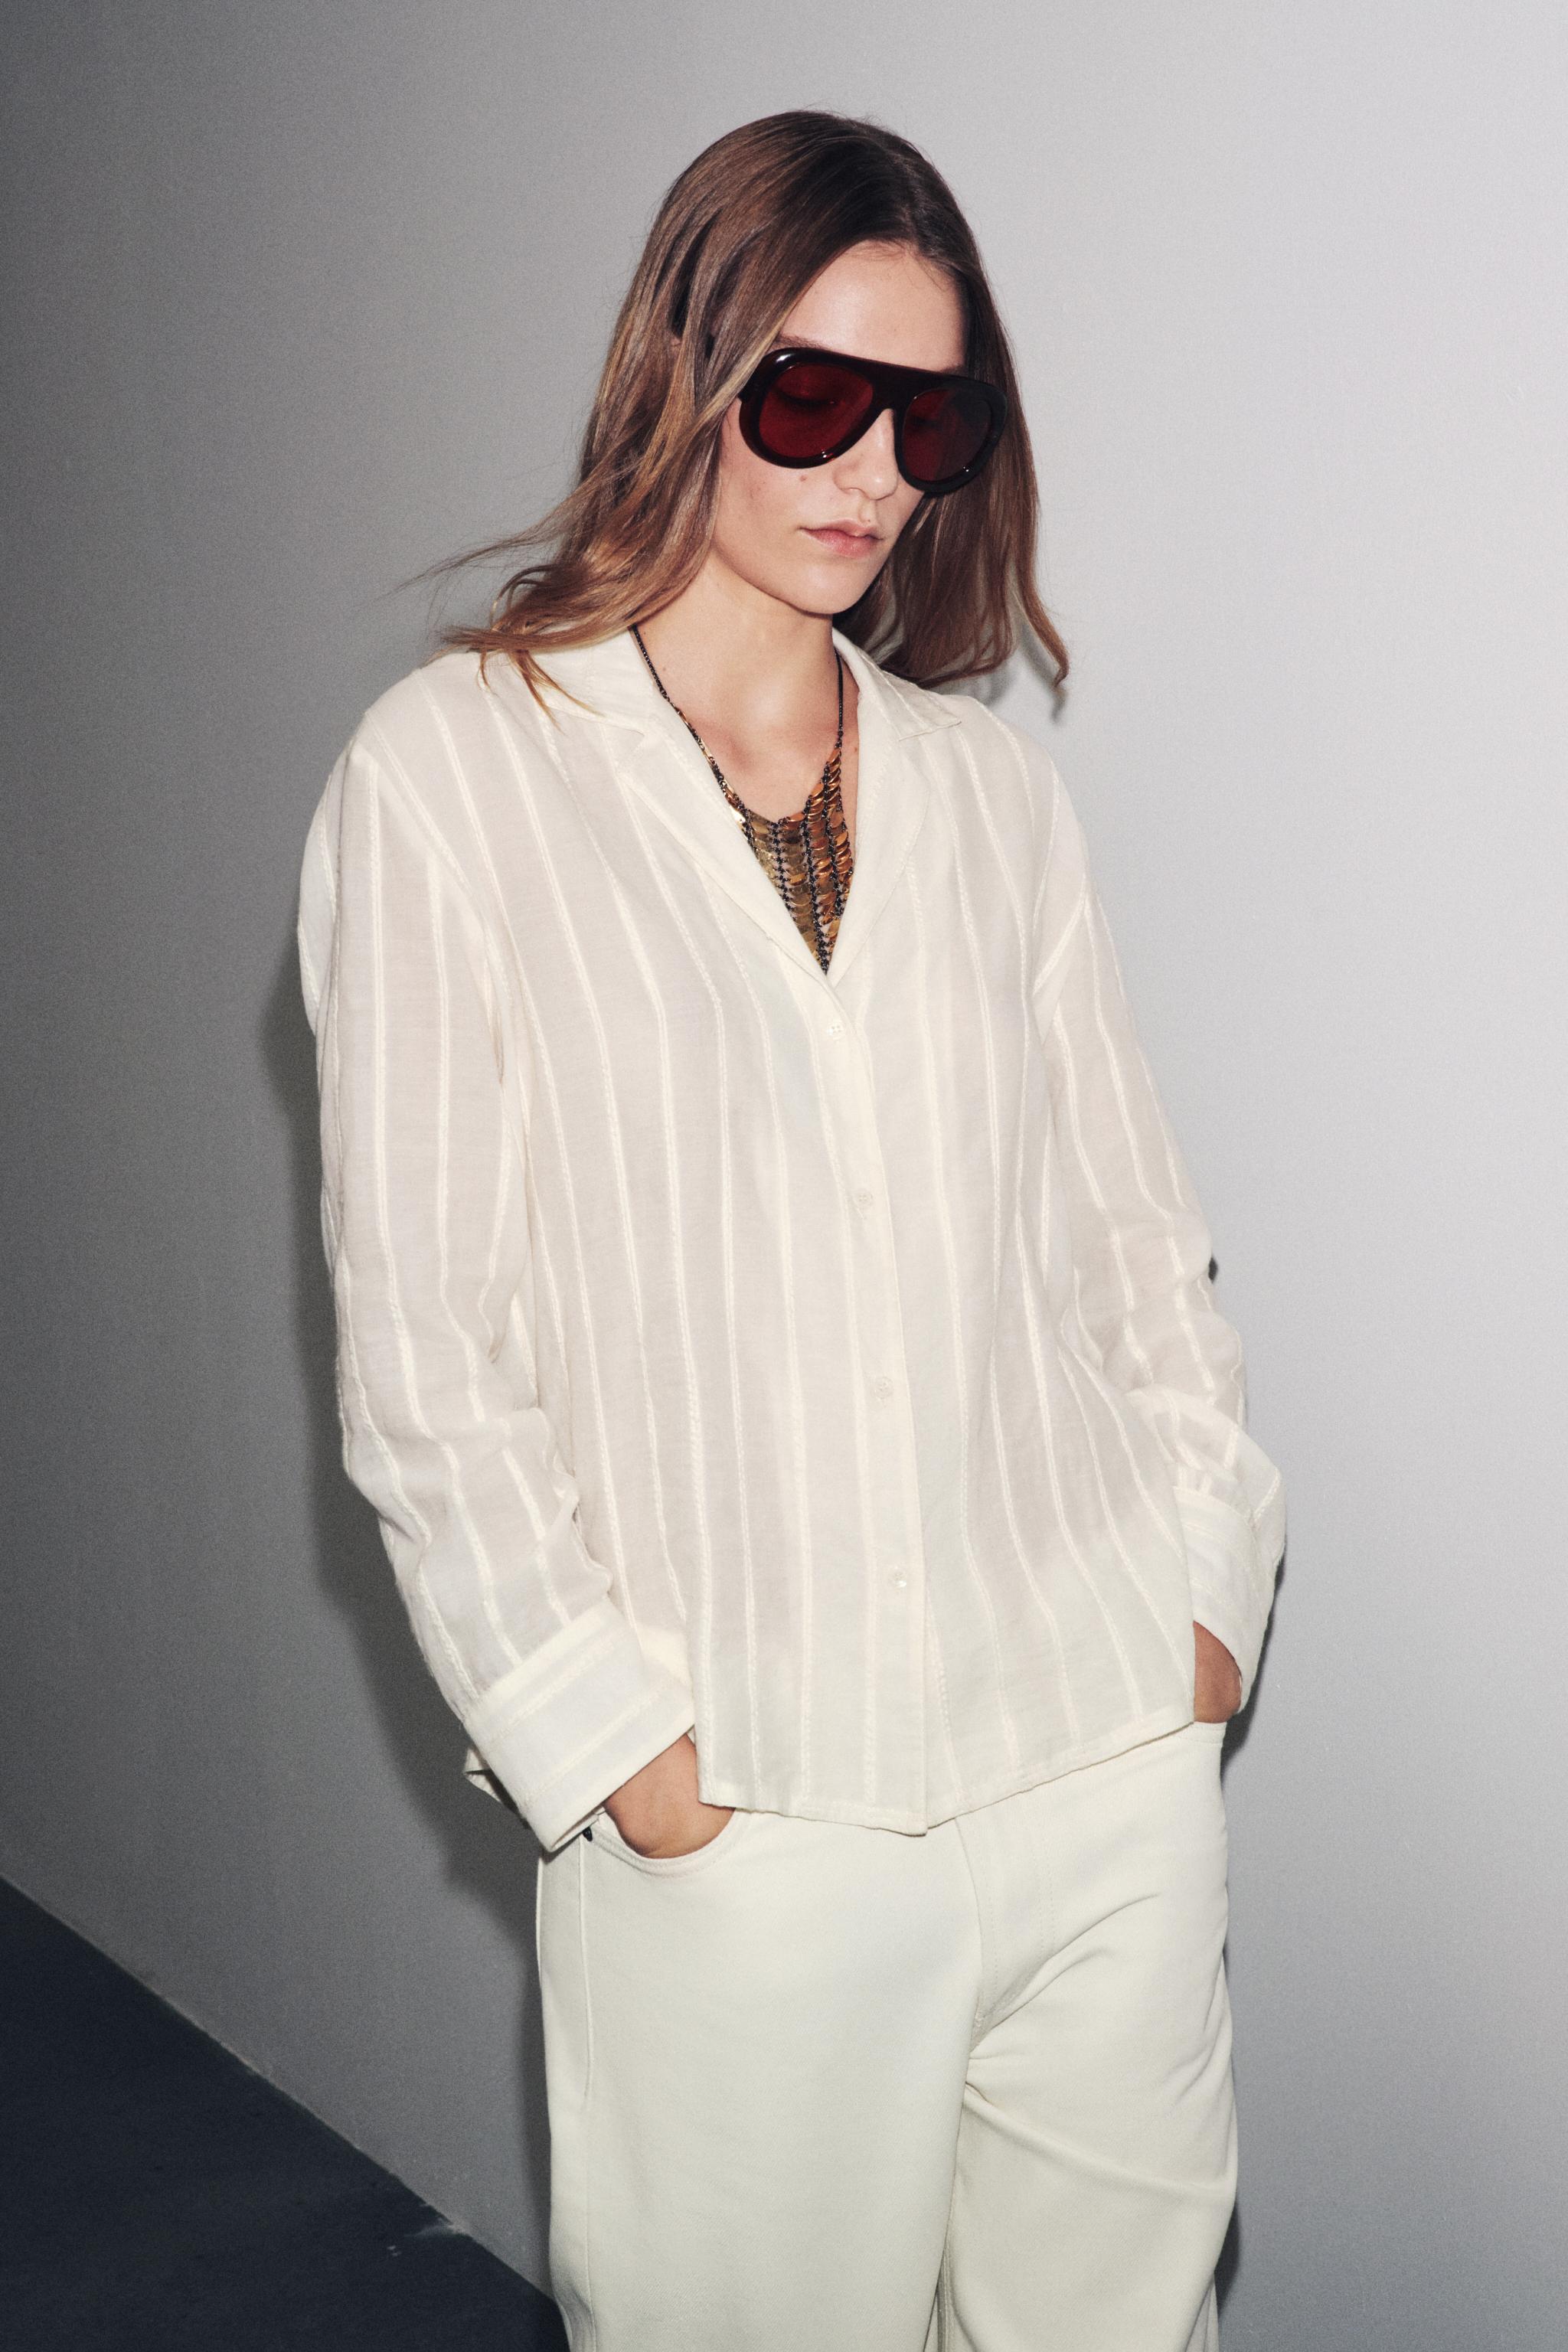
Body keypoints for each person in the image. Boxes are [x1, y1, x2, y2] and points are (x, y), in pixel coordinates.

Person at [296, 108, 1285, 2352]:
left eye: (930, 419)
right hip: (750, 1812)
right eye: (815, 394)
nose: (871, 471)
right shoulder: (452, 783)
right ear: (690, 366)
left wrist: (1198, 1602)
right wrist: (618, 1756)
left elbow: (1136, 1241)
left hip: (1095, 1766)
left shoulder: (989, 797)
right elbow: (427, 1356)